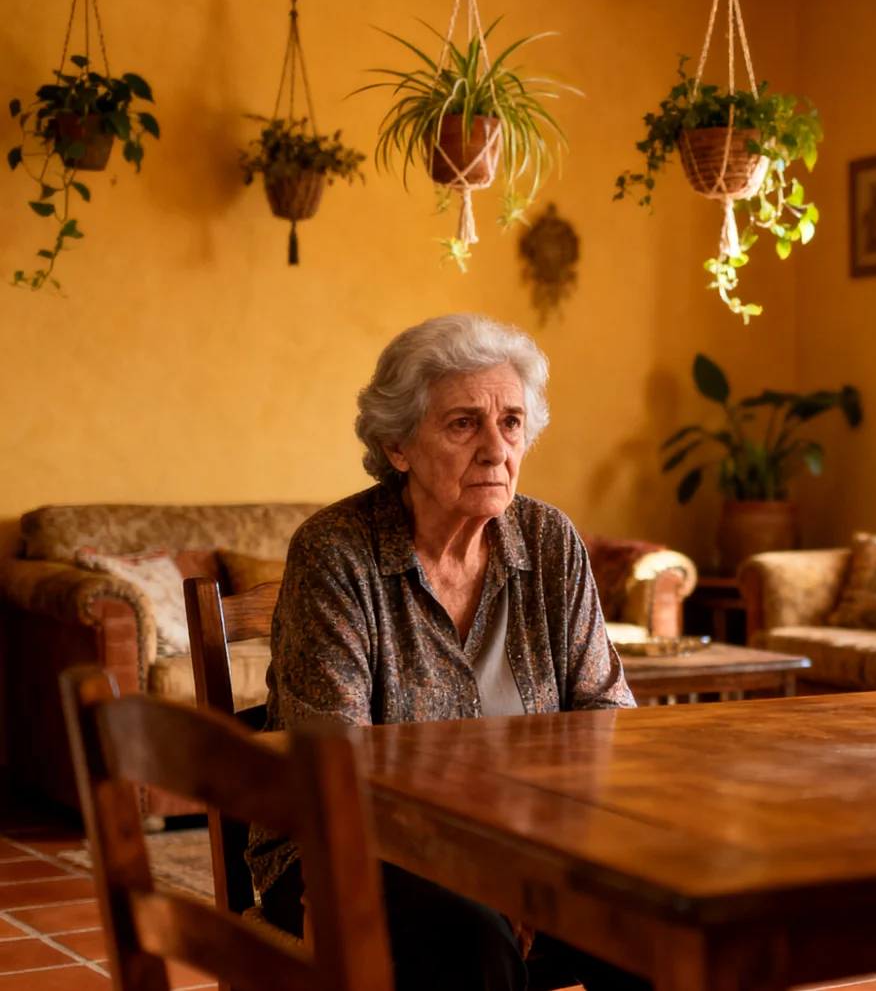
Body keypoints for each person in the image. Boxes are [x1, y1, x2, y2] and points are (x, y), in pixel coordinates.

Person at [250, 313, 646, 991]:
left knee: (660, 916)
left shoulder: (550, 541)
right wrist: (488, 868)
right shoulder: (336, 552)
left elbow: (607, 721)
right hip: (341, 851)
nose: (497, 448)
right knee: (471, 934)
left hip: (535, 847)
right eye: (464, 423)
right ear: (397, 444)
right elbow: (334, 767)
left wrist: (531, 863)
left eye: (512, 422)